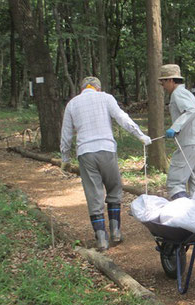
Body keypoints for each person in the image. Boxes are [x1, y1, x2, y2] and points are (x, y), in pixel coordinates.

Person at [60, 76, 151, 251]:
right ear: (98, 89)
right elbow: (122, 118)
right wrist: (140, 135)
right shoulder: (106, 98)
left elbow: (66, 134)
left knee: (93, 193)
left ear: (82, 89)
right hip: (107, 149)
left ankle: (101, 238)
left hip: (85, 152)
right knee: (114, 188)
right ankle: (116, 231)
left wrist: (65, 158)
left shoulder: (72, 104)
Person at [159, 64, 195, 200]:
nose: (162, 85)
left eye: (162, 82)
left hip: (189, 144)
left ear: (170, 80)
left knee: (175, 183)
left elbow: (191, 110)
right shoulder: (187, 93)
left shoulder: (178, 93)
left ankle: (181, 215)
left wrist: (175, 127)